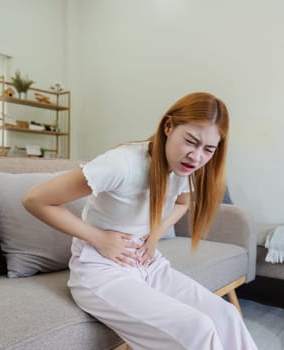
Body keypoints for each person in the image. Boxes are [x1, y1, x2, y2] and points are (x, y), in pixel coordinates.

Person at [23, 92, 258, 350]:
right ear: (168, 126)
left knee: (227, 316)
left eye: (208, 150)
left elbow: (182, 204)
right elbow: (35, 199)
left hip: (149, 265)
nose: (197, 156)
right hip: (100, 270)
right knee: (197, 329)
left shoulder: (186, 168)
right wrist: (99, 238)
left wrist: (155, 233)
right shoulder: (122, 164)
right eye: (190, 141)